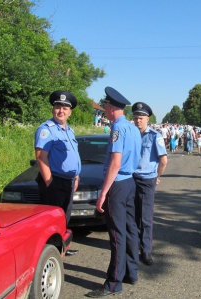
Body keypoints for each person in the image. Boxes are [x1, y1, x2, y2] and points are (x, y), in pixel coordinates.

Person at [87, 87, 142, 298]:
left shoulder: (117, 128)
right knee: (130, 230)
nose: (106, 110)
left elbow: (115, 163)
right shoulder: (133, 128)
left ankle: (113, 283)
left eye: (106, 107)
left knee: (117, 235)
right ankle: (131, 272)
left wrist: (103, 193)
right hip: (129, 182)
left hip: (118, 184)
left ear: (110, 108)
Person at [34, 90, 80, 256]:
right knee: (52, 221)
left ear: (70, 112)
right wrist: (49, 182)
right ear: (53, 109)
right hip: (55, 181)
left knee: (63, 218)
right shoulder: (47, 129)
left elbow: (74, 155)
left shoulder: (69, 130)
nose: (61, 111)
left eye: (65, 108)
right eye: (58, 107)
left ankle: (61, 247)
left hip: (67, 181)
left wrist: (76, 175)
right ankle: (50, 254)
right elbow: (41, 156)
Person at [132, 102, 167, 266]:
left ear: (148, 119)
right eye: (136, 117)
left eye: (141, 118)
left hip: (146, 180)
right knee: (132, 216)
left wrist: (156, 176)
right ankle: (133, 246)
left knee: (145, 217)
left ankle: (145, 250)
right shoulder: (131, 134)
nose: (138, 121)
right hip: (130, 179)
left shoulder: (155, 136)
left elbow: (163, 160)